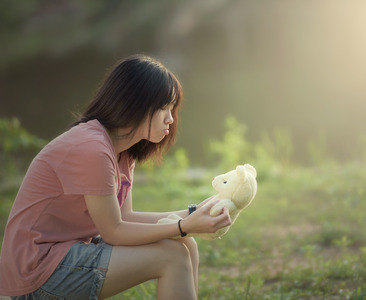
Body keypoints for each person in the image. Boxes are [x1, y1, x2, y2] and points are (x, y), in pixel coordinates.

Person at [0, 54, 232, 300]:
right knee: (173, 257)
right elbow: (114, 231)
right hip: (34, 273)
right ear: (136, 103)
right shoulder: (93, 148)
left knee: (186, 245)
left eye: (172, 108)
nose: (171, 118)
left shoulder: (123, 151)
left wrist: (193, 213)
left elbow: (125, 216)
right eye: (164, 107)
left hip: (64, 255)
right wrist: (184, 226)